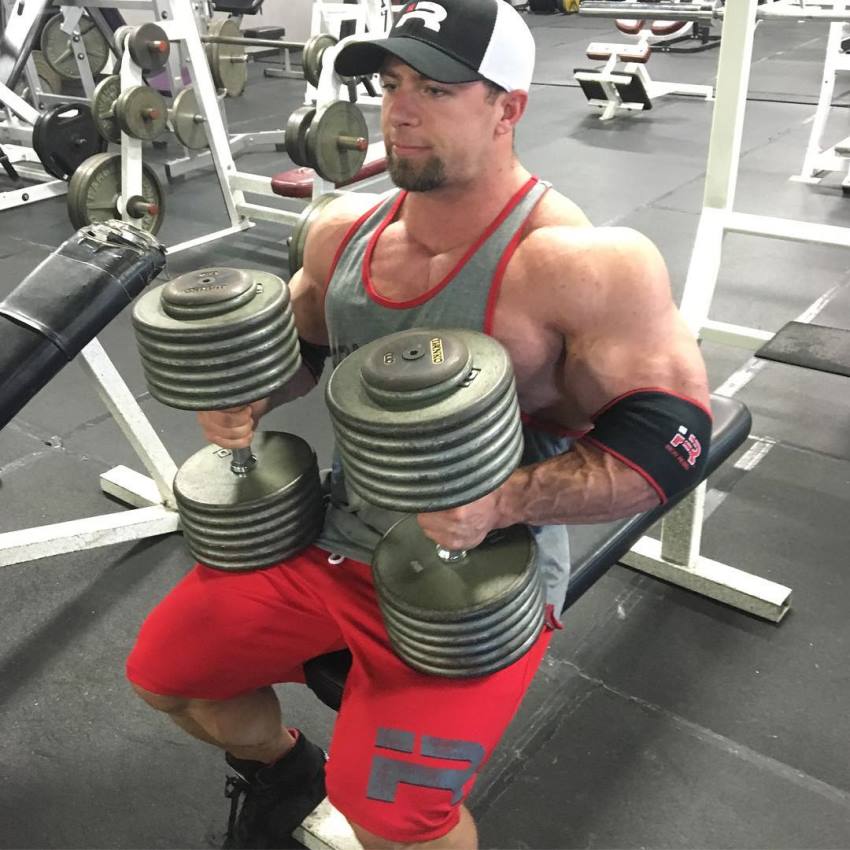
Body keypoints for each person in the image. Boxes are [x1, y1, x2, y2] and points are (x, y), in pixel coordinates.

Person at [126, 0, 712, 848]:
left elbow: (675, 435)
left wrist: (502, 503)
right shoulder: (339, 235)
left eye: (436, 89)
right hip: (336, 538)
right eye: (392, 82)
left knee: (390, 813)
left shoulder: (581, 264)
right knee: (167, 680)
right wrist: (249, 395)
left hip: (476, 572)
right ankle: (282, 770)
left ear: (508, 107)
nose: (398, 109)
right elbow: (302, 351)